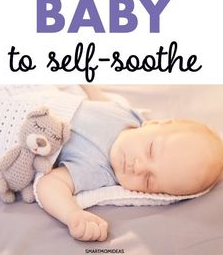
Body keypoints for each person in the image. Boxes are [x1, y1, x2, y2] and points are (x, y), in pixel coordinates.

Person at [36, 85, 223, 242]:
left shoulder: (98, 171)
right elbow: (96, 98)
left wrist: (72, 215)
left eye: (149, 180)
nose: (139, 167)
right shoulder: (127, 114)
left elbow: (50, 184)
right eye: (150, 150)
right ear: (155, 124)